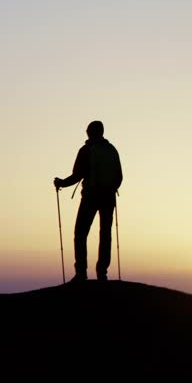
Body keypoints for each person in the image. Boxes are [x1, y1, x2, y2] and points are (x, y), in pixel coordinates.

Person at [54, 121, 123, 282]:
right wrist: (111, 188)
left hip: (91, 196)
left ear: (90, 132)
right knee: (105, 234)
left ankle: (81, 273)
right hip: (108, 197)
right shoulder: (112, 150)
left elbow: (77, 175)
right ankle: (102, 273)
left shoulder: (86, 150)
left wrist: (61, 183)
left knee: (80, 233)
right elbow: (119, 176)